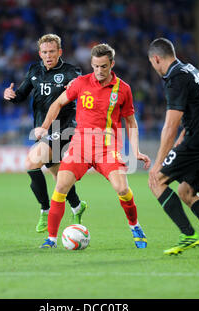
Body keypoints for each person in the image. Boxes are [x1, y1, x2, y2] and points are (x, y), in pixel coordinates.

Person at [34, 43, 151, 248]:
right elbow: (57, 103)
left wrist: (136, 151)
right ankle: (51, 239)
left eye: (103, 66)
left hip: (107, 148)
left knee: (122, 188)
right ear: (91, 64)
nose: (99, 71)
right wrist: (44, 127)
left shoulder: (123, 89)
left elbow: (131, 121)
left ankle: (135, 226)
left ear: (112, 64)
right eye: (95, 66)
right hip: (80, 147)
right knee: (60, 186)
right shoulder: (80, 83)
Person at [147, 38, 199, 258]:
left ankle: (188, 235)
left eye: (152, 63)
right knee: (187, 192)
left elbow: (170, 125)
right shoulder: (190, 69)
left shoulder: (174, 79)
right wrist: (181, 139)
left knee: (156, 181)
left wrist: (158, 164)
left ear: (156, 59)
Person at [3, 34, 87, 233]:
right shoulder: (34, 70)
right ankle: (77, 205)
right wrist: (11, 96)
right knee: (58, 174)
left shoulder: (70, 71)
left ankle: (45, 210)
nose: (48, 56)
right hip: (42, 128)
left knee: (32, 163)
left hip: (64, 126)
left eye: (52, 52)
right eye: (44, 52)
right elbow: (22, 94)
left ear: (60, 52)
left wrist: (74, 88)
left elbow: (79, 89)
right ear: (40, 53)